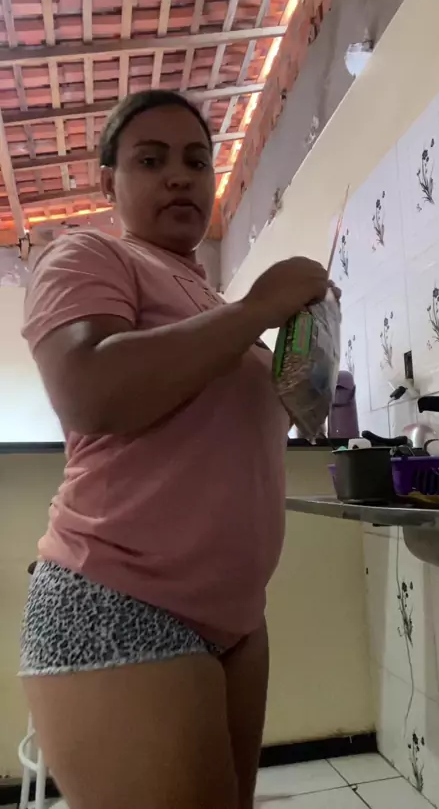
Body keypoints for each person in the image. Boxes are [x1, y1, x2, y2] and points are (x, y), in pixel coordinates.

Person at [21, 89, 333, 809]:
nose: (179, 177)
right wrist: (259, 308)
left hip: (238, 617)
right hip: (117, 597)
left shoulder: (212, 304)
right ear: (109, 182)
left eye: (196, 162)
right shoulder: (87, 254)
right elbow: (91, 390)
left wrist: (307, 343)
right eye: (151, 160)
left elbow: (233, 437)